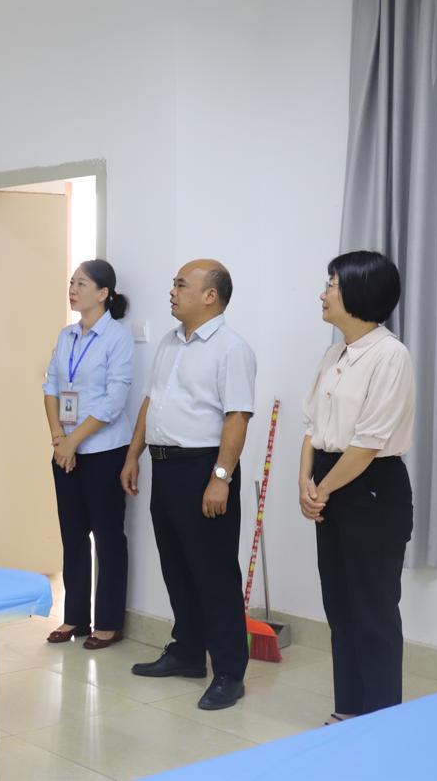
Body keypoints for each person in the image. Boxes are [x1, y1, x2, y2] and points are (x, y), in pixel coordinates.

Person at [122, 259, 256, 711]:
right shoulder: (169, 342)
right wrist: (133, 454)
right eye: (174, 284)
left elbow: (237, 417)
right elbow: (151, 401)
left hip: (205, 469)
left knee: (214, 572)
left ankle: (230, 672)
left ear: (210, 296)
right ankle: (187, 652)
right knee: (176, 566)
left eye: (181, 285)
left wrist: (221, 477)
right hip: (166, 468)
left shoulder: (231, 349)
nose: (172, 291)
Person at [299, 250, 414, 724]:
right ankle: (348, 710)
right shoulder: (334, 353)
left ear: (359, 292)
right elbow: (312, 426)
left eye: (331, 284)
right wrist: (304, 483)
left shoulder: (390, 355)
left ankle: (381, 721)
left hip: (372, 489)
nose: (323, 294)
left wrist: (321, 488)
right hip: (330, 479)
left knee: (373, 610)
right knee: (340, 606)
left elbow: (367, 444)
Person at [42, 260, 135, 650]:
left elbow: (114, 400)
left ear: (103, 293)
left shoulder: (117, 338)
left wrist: (74, 441)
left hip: (104, 451)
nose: (73, 289)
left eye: (81, 283)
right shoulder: (66, 336)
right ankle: (75, 617)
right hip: (65, 450)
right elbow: (50, 386)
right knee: (73, 536)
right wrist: (58, 438)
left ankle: (108, 622)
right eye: (72, 282)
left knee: (108, 536)